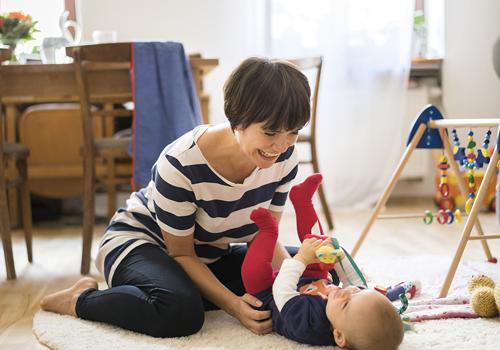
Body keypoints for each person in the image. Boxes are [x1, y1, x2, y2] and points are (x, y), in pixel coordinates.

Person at [40, 57, 311, 337]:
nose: (281, 145)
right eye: (270, 132)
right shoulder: (181, 162)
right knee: (181, 312)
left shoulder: (285, 157)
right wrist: (232, 306)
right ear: (238, 119)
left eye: (293, 132)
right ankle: (79, 300)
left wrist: (304, 280)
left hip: (209, 254)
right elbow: (181, 252)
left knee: (308, 267)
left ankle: (180, 289)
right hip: (142, 243)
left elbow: (263, 237)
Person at [242, 173, 404, 349]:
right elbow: (355, 280)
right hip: (312, 279)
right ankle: (303, 201)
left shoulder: (309, 324)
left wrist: (301, 259)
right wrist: (338, 255)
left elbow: (282, 291)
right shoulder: (355, 305)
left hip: (269, 294)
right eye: (356, 293)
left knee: (253, 274)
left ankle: (268, 231)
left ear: (338, 336)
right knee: (319, 245)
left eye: (346, 303)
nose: (347, 292)